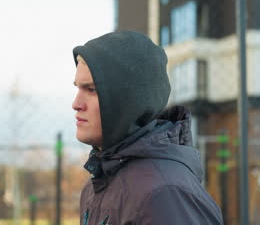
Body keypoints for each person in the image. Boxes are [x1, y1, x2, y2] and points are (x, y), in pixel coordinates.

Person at [72, 30, 223, 224]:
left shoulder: (164, 194)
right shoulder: (97, 186)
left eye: (91, 90)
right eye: (77, 88)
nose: (76, 103)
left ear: (129, 100)